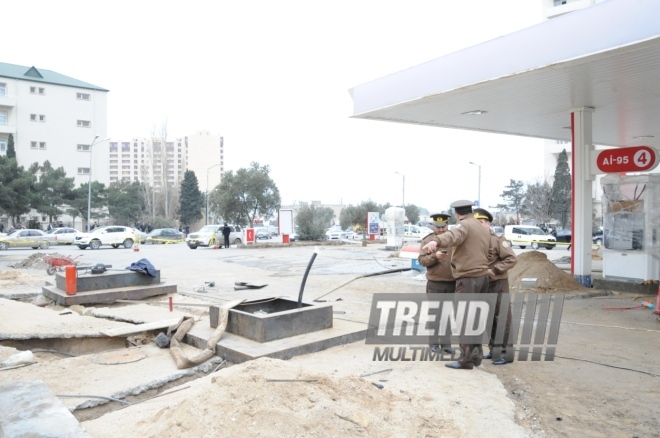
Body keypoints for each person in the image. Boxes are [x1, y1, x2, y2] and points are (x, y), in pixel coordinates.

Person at [422, 200, 490, 370]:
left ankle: (465, 360)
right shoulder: (481, 227)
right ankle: (475, 356)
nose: (441, 228)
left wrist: (436, 241)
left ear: (458, 214)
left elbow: (453, 236)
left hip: (468, 278)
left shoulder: (465, 225)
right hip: (481, 277)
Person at [473, 208, 517, 365]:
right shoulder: (474, 241)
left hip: (498, 283)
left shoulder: (498, 240)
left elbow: (511, 259)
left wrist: (495, 270)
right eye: (475, 223)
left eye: (481, 222)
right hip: (483, 284)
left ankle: (506, 353)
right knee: (490, 319)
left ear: (488, 224)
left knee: (502, 318)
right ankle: (495, 350)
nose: (478, 225)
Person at [418, 213, 455, 355]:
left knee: (447, 314)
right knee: (435, 314)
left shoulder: (454, 238)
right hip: (435, 283)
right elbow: (422, 260)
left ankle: (446, 344)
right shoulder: (428, 240)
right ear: (433, 226)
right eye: (437, 227)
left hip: (452, 282)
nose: (440, 230)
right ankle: (434, 344)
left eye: (443, 226)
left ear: (448, 224)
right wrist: (434, 257)